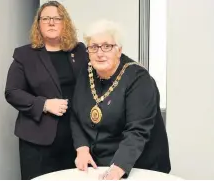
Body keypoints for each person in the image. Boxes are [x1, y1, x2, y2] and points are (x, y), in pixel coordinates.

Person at [70, 19, 171, 180]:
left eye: (107, 46)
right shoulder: (86, 71)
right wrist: (82, 148)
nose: (100, 53)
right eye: (94, 47)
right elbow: (75, 114)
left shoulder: (139, 79)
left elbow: (137, 131)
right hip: (99, 164)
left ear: (119, 50)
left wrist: (118, 168)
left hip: (138, 165)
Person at [5, 1, 88, 179]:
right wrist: (44, 104)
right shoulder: (25, 55)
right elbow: (12, 91)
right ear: (38, 24)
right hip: (36, 141)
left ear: (65, 23)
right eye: (46, 18)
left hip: (75, 140)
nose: (51, 22)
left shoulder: (79, 51)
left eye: (57, 18)